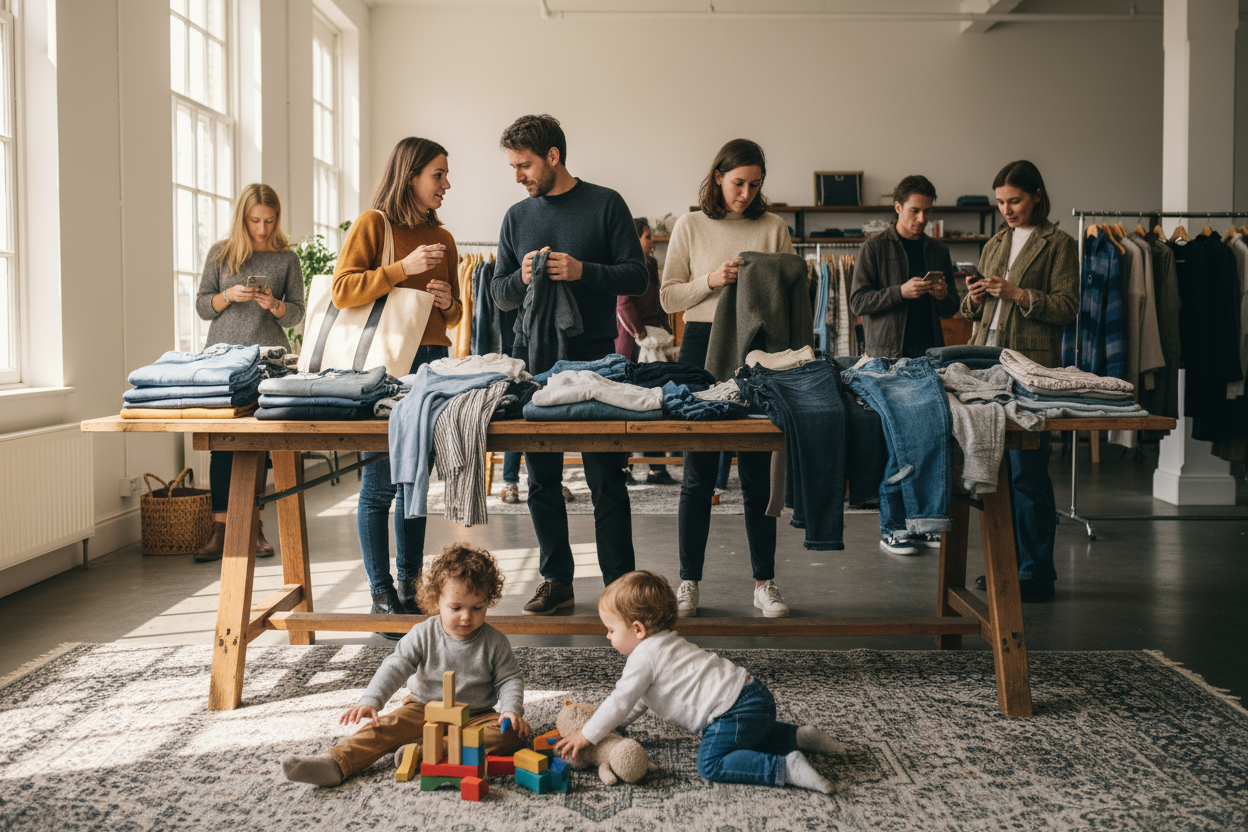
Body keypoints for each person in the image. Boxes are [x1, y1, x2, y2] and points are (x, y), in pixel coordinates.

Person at [490, 114, 649, 614]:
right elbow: (499, 294)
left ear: (553, 156)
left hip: (596, 361)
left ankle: (619, 586)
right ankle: (556, 579)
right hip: (535, 363)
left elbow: (636, 276)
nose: (518, 176)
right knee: (541, 478)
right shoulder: (517, 217)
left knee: (606, 477)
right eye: (514, 166)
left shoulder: (606, 204)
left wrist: (583, 271)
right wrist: (521, 277)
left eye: (524, 165)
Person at [553, 571, 844, 793]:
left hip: (732, 710)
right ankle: (797, 737)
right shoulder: (666, 644)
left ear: (637, 629)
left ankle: (784, 768)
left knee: (711, 762)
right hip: (754, 696)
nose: (607, 636)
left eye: (611, 629)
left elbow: (620, 700)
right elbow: (637, 702)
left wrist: (587, 735)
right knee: (745, 734)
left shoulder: (643, 658)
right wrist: (613, 729)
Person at [658, 139, 793, 618]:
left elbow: (791, 298)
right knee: (698, 473)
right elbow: (669, 298)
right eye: (739, 183)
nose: (746, 193)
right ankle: (688, 582)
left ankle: (764, 583)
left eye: (755, 184)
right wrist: (713, 281)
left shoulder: (774, 228)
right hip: (702, 344)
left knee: (758, 473)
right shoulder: (690, 225)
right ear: (718, 176)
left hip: (760, 348)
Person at [333, 137, 461, 632]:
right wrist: (401, 270)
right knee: (380, 485)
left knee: (413, 483)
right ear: (410, 175)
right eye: (438, 174)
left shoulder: (444, 239)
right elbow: (343, 290)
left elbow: (453, 318)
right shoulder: (374, 225)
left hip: (430, 363)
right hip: (382, 368)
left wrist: (448, 301)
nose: (446, 184)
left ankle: (412, 587)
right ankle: (381, 593)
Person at [280, 544, 530, 787]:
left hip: (476, 715)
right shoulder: (422, 633)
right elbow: (395, 665)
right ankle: (334, 762)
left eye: (478, 608)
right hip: (423, 709)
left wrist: (511, 709)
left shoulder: (495, 641)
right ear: (437, 601)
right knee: (384, 728)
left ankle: (427, 751)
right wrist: (371, 700)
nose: (466, 616)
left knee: (510, 733)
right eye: (456, 608)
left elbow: (509, 678)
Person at [960, 160, 1078, 602]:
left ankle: (1036, 572)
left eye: (1014, 201)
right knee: (995, 468)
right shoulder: (995, 243)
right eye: (1000, 203)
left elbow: (1067, 306)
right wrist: (972, 299)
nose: (1006, 209)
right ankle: (1005, 566)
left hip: (1031, 367)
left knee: (1028, 470)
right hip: (986, 365)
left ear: (1037, 196)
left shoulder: (1059, 244)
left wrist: (1019, 294)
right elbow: (974, 312)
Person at [849, 174, 961, 557]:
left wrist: (944, 295)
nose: (921, 218)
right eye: (914, 210)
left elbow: (952, 308)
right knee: (896, 442)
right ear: (897, 207)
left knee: (930, 437)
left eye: (927, 211)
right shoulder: (874, 249)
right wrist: (901, 292)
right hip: (886, 360)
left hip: (927, 357)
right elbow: (858, 302)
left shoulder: (937, 251)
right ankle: (893, 526)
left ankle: (919, 520)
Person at [193, 183, 305, 563]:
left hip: (266, 360)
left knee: (257, 444)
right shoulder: (220, 255)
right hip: (221, 360)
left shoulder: (287, 258)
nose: (262, 228)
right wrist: (229, 297)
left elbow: (297, 314)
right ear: (243, 217)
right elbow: (202, 306)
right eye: (255, 220)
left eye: (269, 221)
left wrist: (273, 304)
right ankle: (221, 529)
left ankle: (253, 526)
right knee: (222, 444)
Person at [619, 217, 675, 486]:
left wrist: (665, 331)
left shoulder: (651, 264)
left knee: (655, 401)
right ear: (634, 239)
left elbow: (660, 302)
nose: (652, 241)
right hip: (632, 345)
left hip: (655, 342)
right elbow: (623, 303)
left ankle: (656, 467)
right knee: (628, 404)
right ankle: (623, 468)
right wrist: (640, 335)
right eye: (647, 236)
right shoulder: (626, 265)